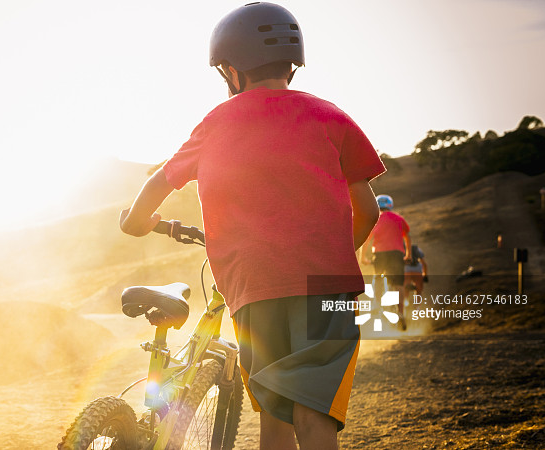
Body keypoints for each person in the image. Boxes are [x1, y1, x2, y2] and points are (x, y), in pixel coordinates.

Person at [119, 3, 385, 449]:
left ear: (230, 69)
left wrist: (136, 223)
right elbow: (368, 210)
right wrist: (333, 257)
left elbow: (158, 183)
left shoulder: (215, 123)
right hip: (324, 290)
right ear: (292, 65)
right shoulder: (331, 116)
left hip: (252, 292)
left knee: (275, 417)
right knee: (314, 414)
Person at [360, 194, 412, 325]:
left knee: (377, 277)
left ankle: (377, 303)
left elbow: (366, 240)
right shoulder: (399, 218)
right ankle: (400, 313)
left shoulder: (374, 220)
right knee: (399, 284)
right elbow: (407, 237)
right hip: (396, 254)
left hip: (380, 254)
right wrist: (409, 255)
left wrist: (363, 257)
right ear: (390, 205)